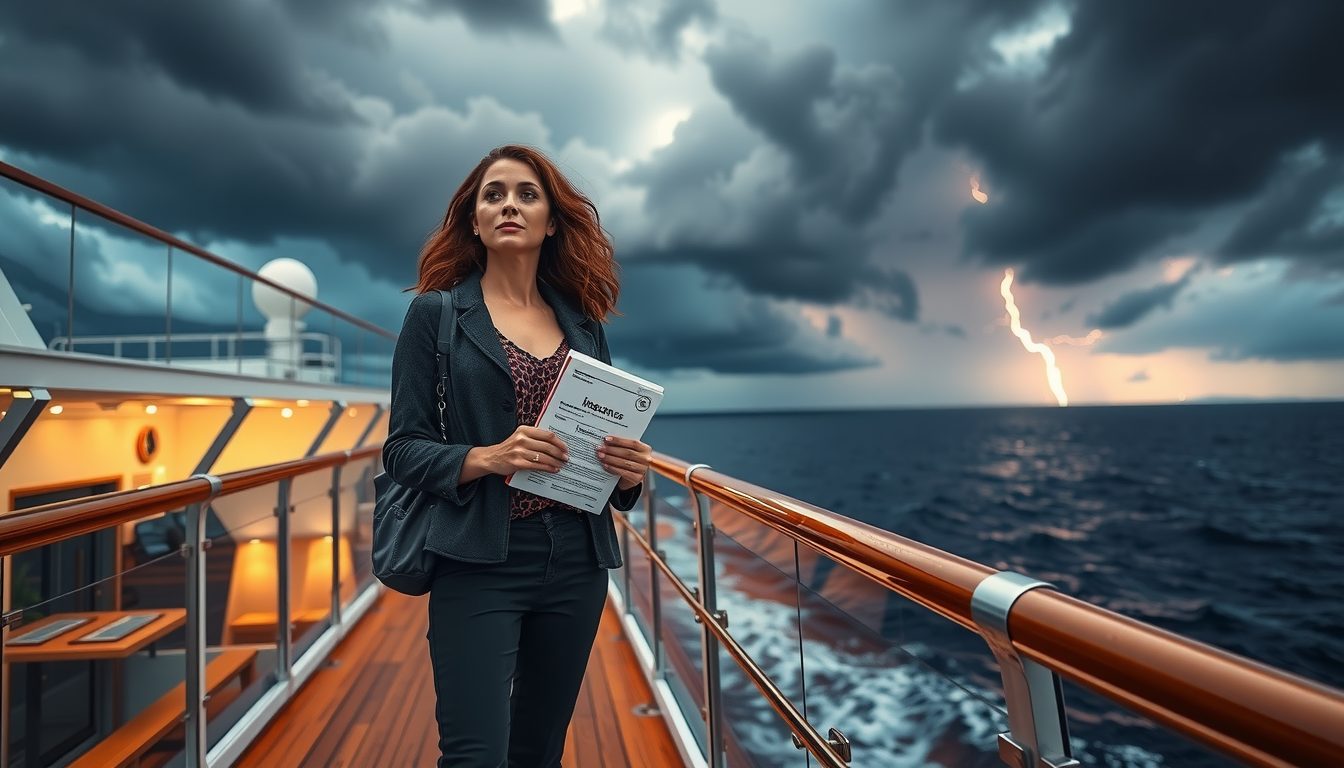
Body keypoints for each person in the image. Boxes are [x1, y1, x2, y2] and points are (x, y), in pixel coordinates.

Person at [382, 144, 653, 767]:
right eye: (493, 194)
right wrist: (485, 457)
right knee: (474, 756)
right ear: (473, 221)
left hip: (577, 561)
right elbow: (402, 448)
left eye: (527, 194)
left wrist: (628, 473)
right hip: (477, 558)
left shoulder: (584, 324)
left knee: (539, 751)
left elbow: (604, 453)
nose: (509, 205)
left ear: (552, 221)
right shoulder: (435, 316)